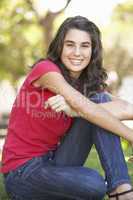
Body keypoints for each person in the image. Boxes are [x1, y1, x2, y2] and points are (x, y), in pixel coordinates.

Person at [1, 16, 133, 200]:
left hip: (56, 160)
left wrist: (73, 111)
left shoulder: (84, 85)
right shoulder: (45, 70)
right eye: (70, 44)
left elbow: (125, 107)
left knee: (99, 100)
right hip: (23, 172)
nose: (77, 52)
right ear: (60, 47)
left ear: (93, 50)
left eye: (85, 46)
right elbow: (85, 108)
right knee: (93, 183)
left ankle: (121, 189)